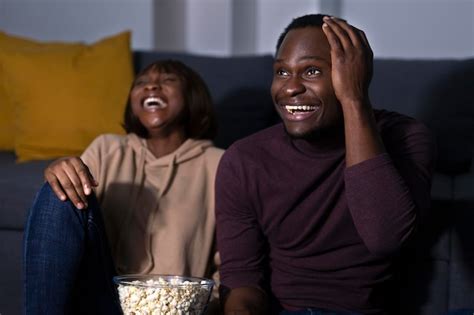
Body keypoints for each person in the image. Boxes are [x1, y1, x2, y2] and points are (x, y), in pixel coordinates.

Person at [215, 14, 436, 314]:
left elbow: (385, 238)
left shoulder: (406, 137)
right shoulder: (244, 160)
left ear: (353, 74)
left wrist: (355, 100)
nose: (290, 88)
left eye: (312, 71)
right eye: (281, 72)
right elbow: (242, 282)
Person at [23, 60, 224, 314]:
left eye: (167, 80)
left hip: (175, 305)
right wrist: (61, 170)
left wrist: (198, 305)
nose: (151, 86)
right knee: (58, 188)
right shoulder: (107, 148)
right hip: (102, 298)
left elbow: (232, 265)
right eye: (141, 83)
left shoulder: (219, 164)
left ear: (192, 95)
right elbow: (64, 217)